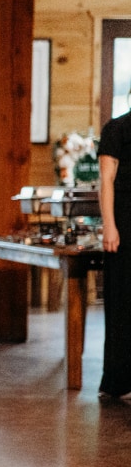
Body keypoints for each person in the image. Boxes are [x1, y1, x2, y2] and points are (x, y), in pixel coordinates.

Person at [98, 107, 131, 399]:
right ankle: (118, 380)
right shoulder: (117, 129)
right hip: (125, 221)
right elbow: (106, 180)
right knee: (122, 298)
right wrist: (109, 225)